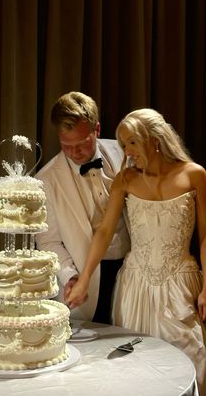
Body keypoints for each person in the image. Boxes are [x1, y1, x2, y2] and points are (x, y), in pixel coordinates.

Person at [66, 108, 206, 393]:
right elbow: (104, 231)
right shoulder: (125, 179)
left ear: (154, 139)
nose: (127, 152)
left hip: (181, 285)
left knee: (193, 362)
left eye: (132, 142)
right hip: (135, 286)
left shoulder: (194, 174)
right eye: (123, 144)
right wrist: (83, 280)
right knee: (133, 371)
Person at [35, 91, 130, 323]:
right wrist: (71, 277)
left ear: (96, 130)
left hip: (130, 271)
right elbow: (49, 242)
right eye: (66, 145)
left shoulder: (124, 152)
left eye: (81, 143)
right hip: (86, 280)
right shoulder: (45, 180)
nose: (74, 152)